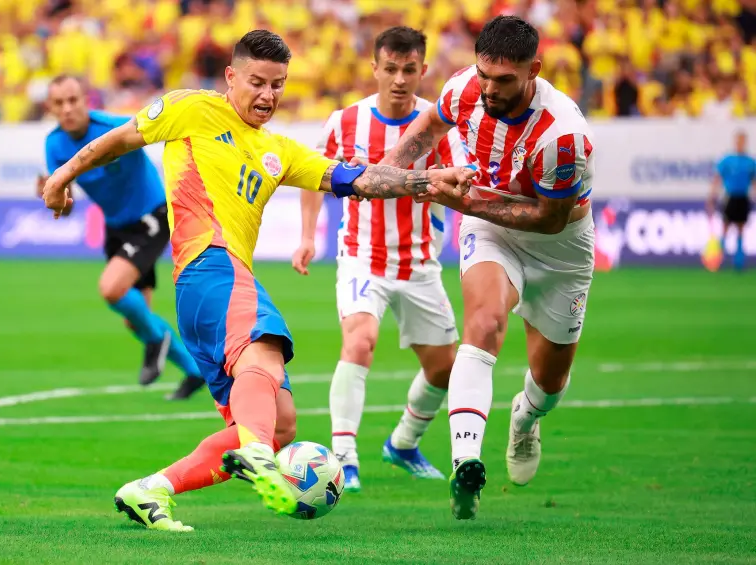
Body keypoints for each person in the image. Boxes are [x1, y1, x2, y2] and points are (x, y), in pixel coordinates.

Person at [42, 30, 473, 531]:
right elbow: (120, 139)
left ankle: (151, 489)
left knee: (281, 424)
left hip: (210, 290)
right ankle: (258, 459)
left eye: (278, 84)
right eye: (257, 82)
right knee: (264, 353)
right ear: (231, 77)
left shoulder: (280, 151)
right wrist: (61, 176)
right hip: (211, 263)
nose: (268, 95)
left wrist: (425, 181)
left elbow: (357, 179)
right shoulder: (192, 108)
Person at [381, 16, 596, 520]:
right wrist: (388, 171)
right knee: (483, 326)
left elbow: (549, 218)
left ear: (534, 70)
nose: (491, 89)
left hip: (559, 247)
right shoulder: (464, 89)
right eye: (484, 75)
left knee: (548, 383)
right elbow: (431, 126)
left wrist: (467, 205)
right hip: (492, 229)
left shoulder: (563, 136)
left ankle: (524, 422)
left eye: (505, 80)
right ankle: (466, 464)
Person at [291, 26, 469, 493]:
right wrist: (308, 237)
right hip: (361, 259)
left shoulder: (437, 125)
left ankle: (404, 443)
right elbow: (315, 178)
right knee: (360, 340)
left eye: (409, 69)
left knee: (445, 368)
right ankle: (343, 457)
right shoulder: (344, 121)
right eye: (390, 68)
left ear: (422, 71)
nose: (398, 79)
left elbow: (458, 186)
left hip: (419, 265)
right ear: (374, 68)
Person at [41, 74, 205, 401]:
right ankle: (194, 371)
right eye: (59, 103)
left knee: (111, 289)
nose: (68, 108)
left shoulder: (114, 127)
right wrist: (55, 198)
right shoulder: (54, 144)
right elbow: (66, 203)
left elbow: (160, 133)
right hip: (117, 228)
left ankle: (159, 343)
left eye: (73, 100)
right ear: (51, 108)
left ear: (86, 99)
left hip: (152, 217)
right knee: (136, 321)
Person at [707, 130, 755, 271]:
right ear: (735, 142)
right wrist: (712, 196)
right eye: (738, 140)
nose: (740, 143)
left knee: (741, 228)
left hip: (743, 197)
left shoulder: (750, 162)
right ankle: (718, 260)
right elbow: (717, 179)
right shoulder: (727, 160)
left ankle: (739, 261)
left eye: (742, 140)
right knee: (725, 227)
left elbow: (754, 181)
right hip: (730, 197)